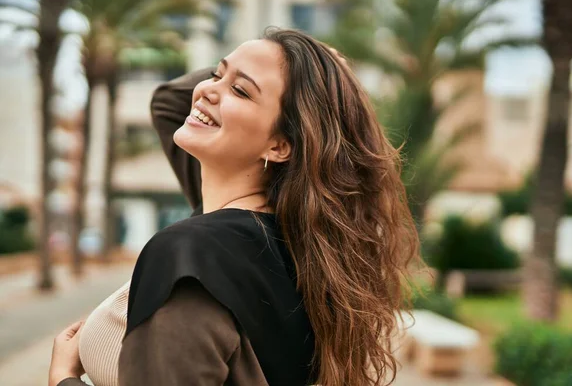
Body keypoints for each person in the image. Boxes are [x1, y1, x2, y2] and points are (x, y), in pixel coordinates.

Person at [48, 28, 419, 386]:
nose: (207, 89)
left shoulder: (193, 257)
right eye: (215, 73)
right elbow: (168, 103)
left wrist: (63, 378)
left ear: (279, 146)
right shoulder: (292, 244)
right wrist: (307, 60)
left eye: (240, 90)